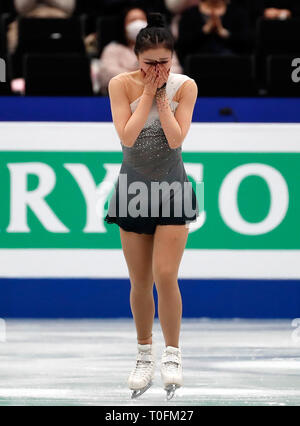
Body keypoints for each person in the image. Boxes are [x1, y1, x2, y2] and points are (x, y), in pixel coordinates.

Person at [104, 12, 199, 399]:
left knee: (165, 276)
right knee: (140, 282)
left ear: (173, 58)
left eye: (165, 62)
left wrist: (162, 95)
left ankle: (172, 355)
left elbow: (175, 140)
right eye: (150, 64)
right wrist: (147, 91)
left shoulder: (185, 86)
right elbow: (127, 137)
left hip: (173, 190)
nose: (158, 69)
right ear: (135, 57)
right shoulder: (119, 84)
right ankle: (145, 355)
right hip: (133, 192)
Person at [96, 5, 183, 96]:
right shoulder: (112, 49)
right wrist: (142, 78)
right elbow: (107, 74)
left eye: (141, 19)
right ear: (123, 26)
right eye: (132, 20)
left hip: (158, 98)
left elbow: (175, 71)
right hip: (122, 98)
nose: (138, 23)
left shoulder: (162, 48)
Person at [176, 0, 251, 64]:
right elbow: (182, 47)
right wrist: (204, 32)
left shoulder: (238, 13)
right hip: (198, 67)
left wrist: (225, 34)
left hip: (232, 66)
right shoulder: (189, 14)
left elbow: (247, 45)